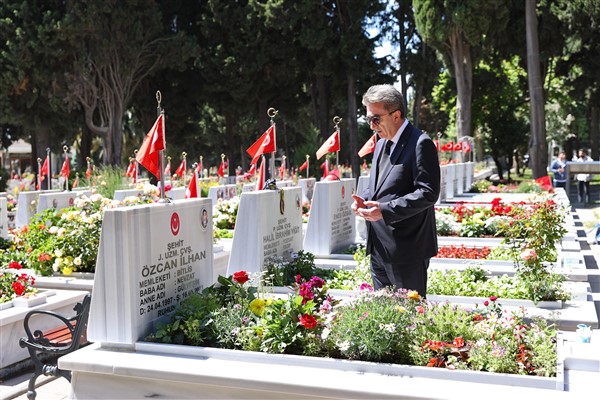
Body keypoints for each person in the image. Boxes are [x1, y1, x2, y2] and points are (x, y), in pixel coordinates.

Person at [350, 84, 440, 297]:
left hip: (407, 248)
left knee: (409, 317)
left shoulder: (421, 143)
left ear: (396, 115)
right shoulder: (381, 143)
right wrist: (363, 200)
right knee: (385, 318)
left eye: (375, 119)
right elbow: (380, 187)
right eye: (368, 119)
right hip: (378, 245)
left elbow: (428, 193)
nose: (372, 126)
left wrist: (384, 210)